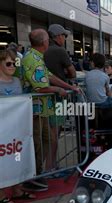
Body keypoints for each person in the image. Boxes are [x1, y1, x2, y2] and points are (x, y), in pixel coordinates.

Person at [22, 29, 79, 191]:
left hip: (42, 109)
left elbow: (49, 76)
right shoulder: (32, 59)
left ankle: (39, 173)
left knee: (46, 139)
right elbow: (40, 87)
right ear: (44, 42)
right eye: (48, 39)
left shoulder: (37, 57)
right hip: (35, 110)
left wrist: (69, 87)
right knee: (38, 142)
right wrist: (57, 90)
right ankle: (33, 176)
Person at [0, 49, 37, 203]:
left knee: (16, 156)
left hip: (16, 129)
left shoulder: (16, 82)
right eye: (8, 63)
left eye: (14, 63)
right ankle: (1, 193)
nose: (12, 66)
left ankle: (17, 190)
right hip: (2, 130)